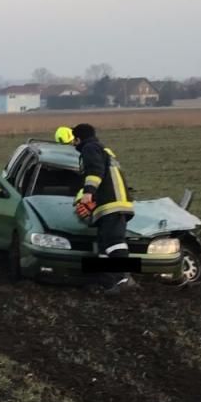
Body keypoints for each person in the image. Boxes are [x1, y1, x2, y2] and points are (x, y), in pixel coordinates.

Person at [67, 123, 137, 294]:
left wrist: (88, 193)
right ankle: (108, 283)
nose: (73, 145)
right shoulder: (102, 148)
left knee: (114, 241)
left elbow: (95, 171)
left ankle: (124, 279)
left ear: (78, 139)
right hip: (113, 203)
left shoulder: (90, 148)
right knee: (105, 244)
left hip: (111, 203)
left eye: (73, 141)